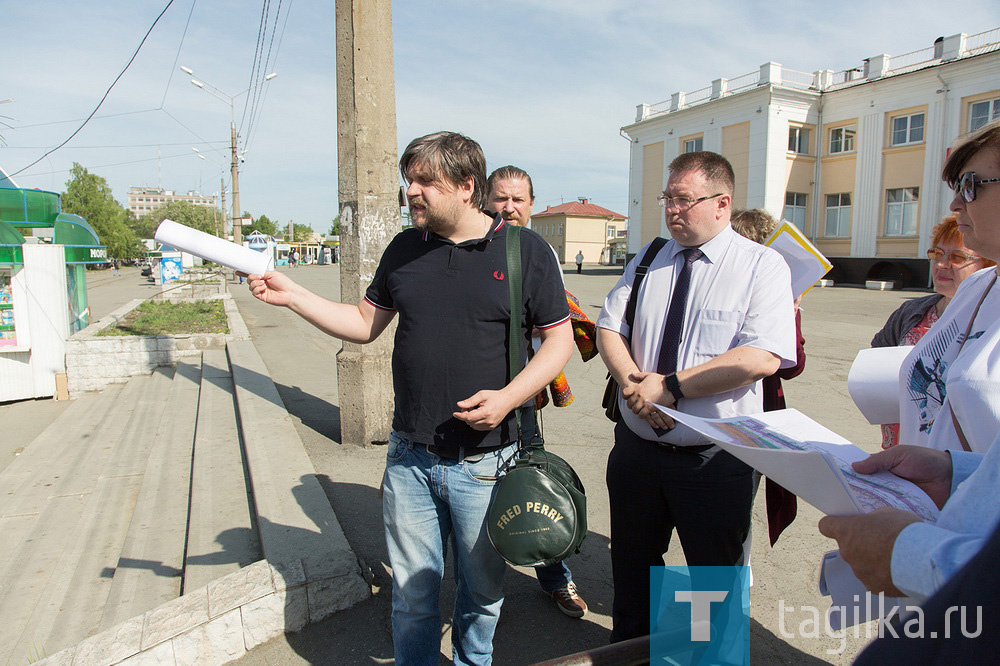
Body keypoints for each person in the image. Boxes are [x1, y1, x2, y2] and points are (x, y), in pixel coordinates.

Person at [246, 132, 573, 665]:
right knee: (414, 596)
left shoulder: (524, 251)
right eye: (409, 180)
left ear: (467, 186)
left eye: (425, 181)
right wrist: (293, 296)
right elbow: (361, 323)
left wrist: (510, 398)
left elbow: (558, 340)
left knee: (481, 594)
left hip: (488, 462)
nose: (411, 192)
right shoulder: (404, 248)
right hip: (410, 459)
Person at [596, 151, 796, 641]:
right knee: (633, 572)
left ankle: (703, 655)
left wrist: (670, 387)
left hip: (714, 460)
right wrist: (634, 384)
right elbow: (608, 328)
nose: (672, 210)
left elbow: (762, 357)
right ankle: (630, 653)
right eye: (668, 198)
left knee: (710, 584)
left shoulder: (761, 266)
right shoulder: (648, 258)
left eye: (685, 200)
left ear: (722, 203)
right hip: (638, 453)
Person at [818, 119, 1000, 601]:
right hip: (933, 536)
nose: (956, 203)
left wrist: (909, 555)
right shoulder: (981, 286)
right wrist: (950, 470)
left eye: (971, 185)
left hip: (959, 577)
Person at [487, 165, 589, 618]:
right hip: (474, 390)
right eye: (501, 198)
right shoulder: (476, 244)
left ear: (531, 205)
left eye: (519, 200)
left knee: (533, 485)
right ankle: (481, 588)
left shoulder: (538, 249)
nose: (509, 207)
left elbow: (556, 321)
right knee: (474, 492)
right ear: (484, 200)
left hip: (525, 392)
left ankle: (555, 578)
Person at [871, 216, 993, 448]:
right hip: (900, 444)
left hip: (949, 458)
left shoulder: (987, 320)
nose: (941, 264)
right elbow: (875, 358)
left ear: (985, 266)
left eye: (956, 257)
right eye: (937, 254)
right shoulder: (913, 310)